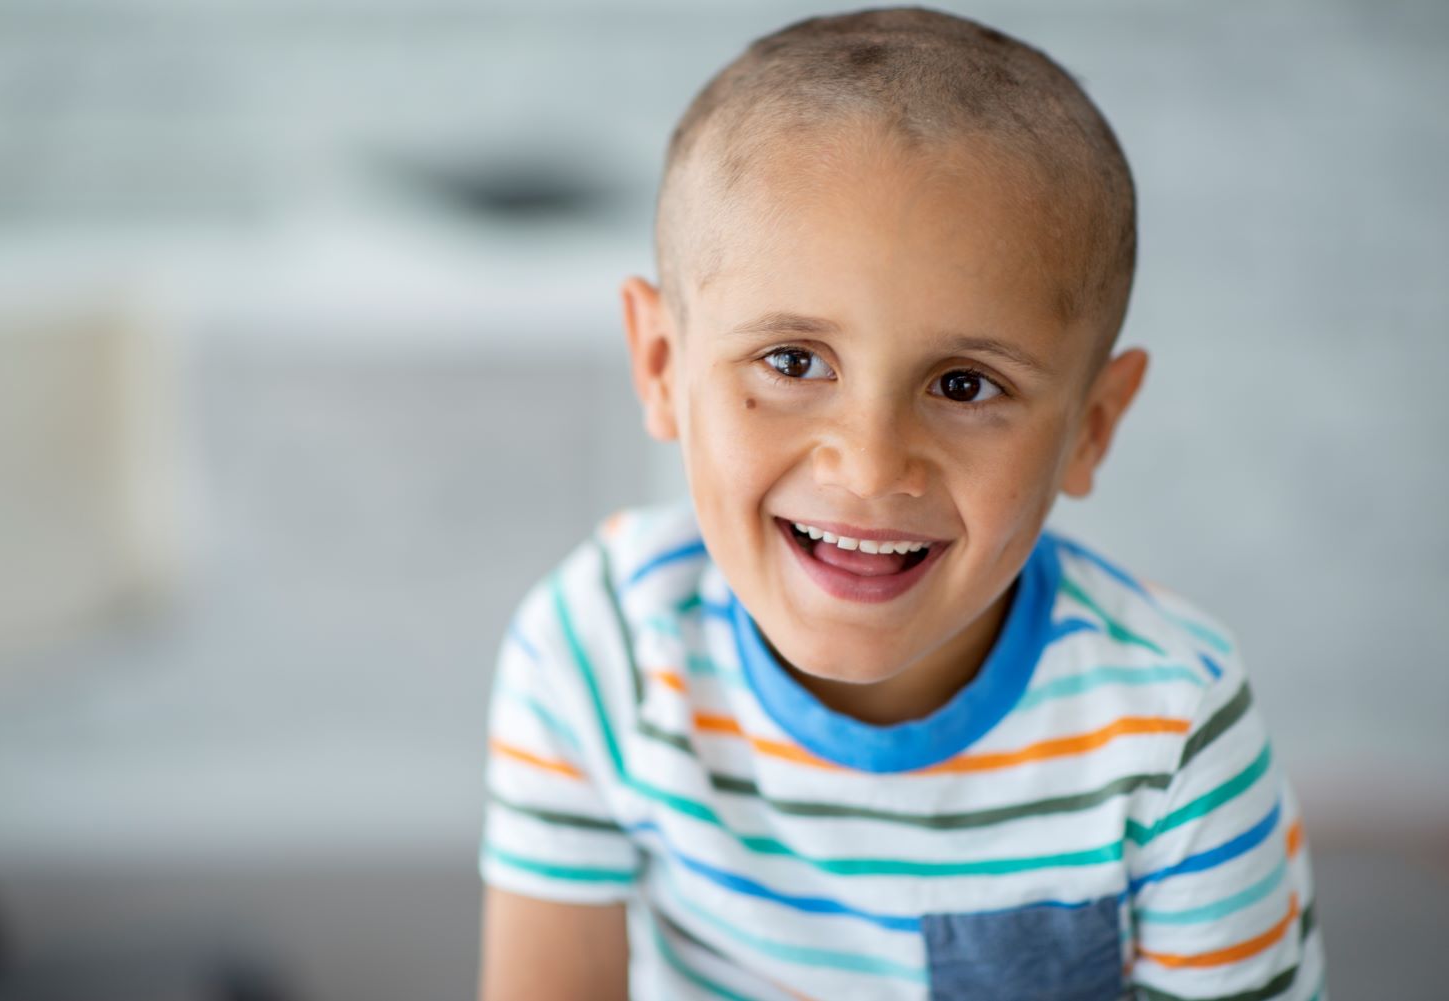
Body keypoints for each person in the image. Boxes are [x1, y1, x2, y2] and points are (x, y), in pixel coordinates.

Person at [477, 8, 1325, 999]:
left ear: (1091, 426)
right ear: (663, 364)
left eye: (965, 385)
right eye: (794, 361)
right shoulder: (598, 649)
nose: (872, 465)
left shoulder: (1175, 728)